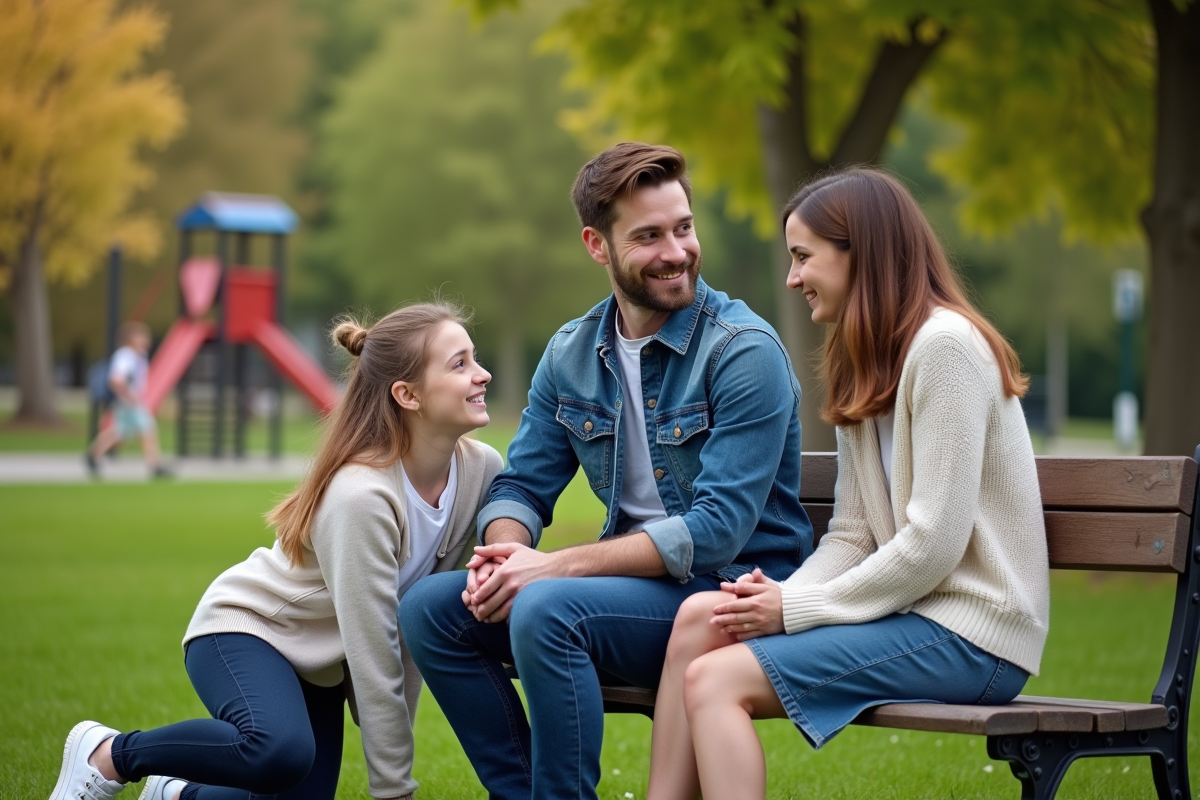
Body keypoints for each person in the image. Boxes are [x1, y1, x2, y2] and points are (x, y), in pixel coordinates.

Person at [399, 142, 814, 800]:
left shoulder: (743, 351)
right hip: (629, 596)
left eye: (683, 228)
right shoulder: (571, 352)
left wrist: (551, 569)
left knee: (548, 607)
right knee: (430, 609)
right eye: (648, 237)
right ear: (598, 245)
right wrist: (506, 555)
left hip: (730, 596)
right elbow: (522, 484)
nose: (676, 252)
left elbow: (717, 530)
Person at [643, 167, 1051, 800]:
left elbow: (934, 545)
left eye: (804, 256)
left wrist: (792, 610)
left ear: (861, 252)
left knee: (715, 680)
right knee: (704, 616)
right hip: (913, 615)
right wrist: (781, 598)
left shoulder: (947, 349)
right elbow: (853, 535)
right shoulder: (862, 360)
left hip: (975, 634)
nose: (792, 277)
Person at [48, 302, 503, 800]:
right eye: (459, 364)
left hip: (318, 662)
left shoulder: (482, 470)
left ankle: (176, 795)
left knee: (296, 790)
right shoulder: (362, 496)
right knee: (278, 750)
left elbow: (421, 617)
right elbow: (375, 648)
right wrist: (394, 791)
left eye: (474, 358)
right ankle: (111, 754)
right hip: (248, 629)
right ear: (407, 394)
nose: (482, 374)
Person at [86, 321, 170, 479]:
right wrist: (129, 396)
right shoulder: (126, 355)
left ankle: (93, 454)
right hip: (129, 400)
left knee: (120, 433)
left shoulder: (139, 356)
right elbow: (116, 379)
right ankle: (155, 465)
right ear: (130, 338)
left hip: (129, 400)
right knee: (148, 427)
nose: (146, 340)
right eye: (142, 336)